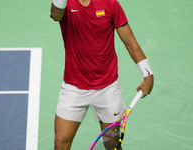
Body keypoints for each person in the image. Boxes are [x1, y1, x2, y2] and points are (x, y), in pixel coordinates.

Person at [50, 0, 154, 149]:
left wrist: (148, 74)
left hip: (107, 89)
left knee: (112, 144)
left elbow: (129, 41)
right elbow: (55, 14)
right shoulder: (66, 4)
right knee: (60, 143)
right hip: (74, 88)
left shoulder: (110, 3)